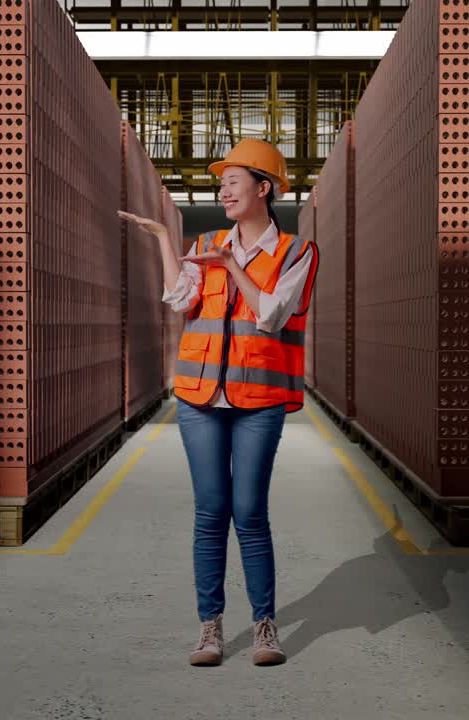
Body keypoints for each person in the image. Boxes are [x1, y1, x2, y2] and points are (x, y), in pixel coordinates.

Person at [119, 138, 319, 667]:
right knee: (211, 512)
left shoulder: (297, 252)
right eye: (222, 182)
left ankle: (264, 627)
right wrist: (167, 239)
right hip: (199, 396)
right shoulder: (205, 241)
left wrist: (230, 267)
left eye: (234, 181)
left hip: (259, 399)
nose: (223, 189)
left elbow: (272, 314)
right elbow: (180, 299)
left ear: (264, 188)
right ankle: (210, 628)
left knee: (250, 513)